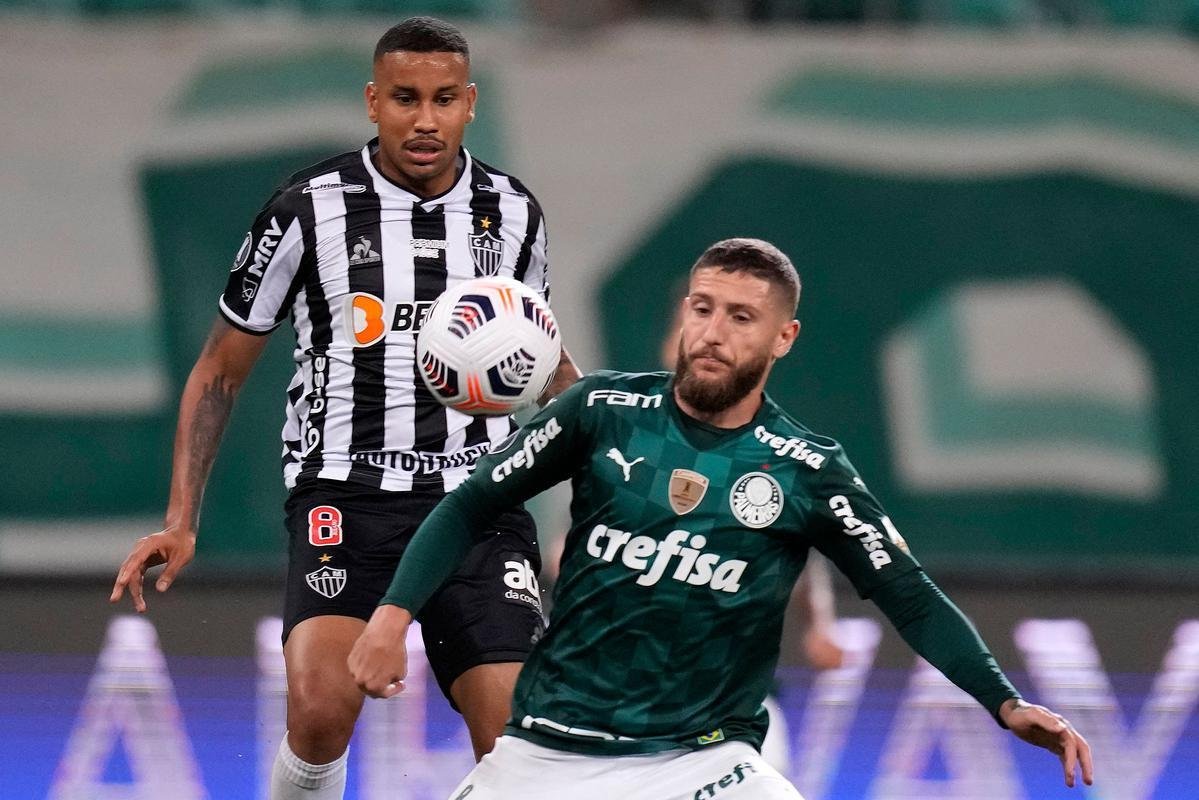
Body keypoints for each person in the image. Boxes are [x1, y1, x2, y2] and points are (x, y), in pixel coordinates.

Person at [348, 238, 1094, 799]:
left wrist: (1002, 701)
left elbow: (910, 596)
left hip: (703, 764)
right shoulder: (602, 410)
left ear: (783, 338)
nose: (712, 332)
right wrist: (390, 617)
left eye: (741, 317)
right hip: (548, 753)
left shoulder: (806, 469)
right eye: (701, 308)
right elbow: (469, 504)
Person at [110, 17, 580, 800]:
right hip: (345, 494)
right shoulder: (307, 209)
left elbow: (536, 356)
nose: (423, 120)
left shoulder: (513, 213)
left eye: (442, 99)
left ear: (469, 104)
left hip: (478, 501)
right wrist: (181, 518)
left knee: (514, 738)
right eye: (403, 98)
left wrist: (611, 445)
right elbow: (220, 370)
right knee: (321, 708)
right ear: (371, 101)